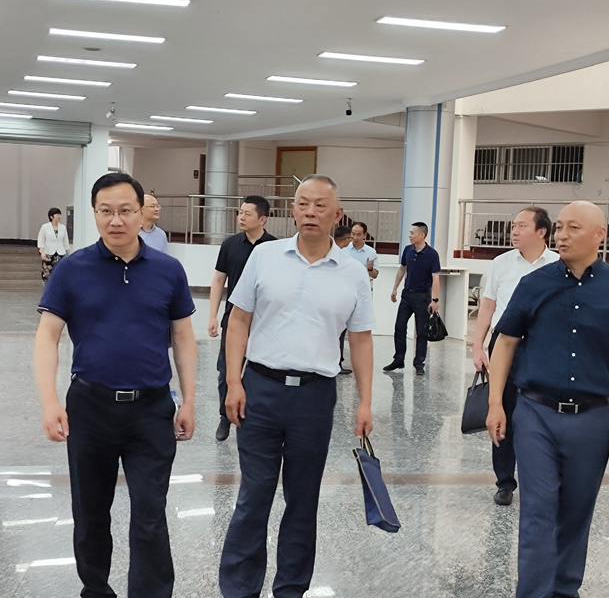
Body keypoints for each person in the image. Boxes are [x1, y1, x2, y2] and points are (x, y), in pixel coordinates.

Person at [33, 172, 197, 598]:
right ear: (94, 214)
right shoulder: (71, 269)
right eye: (106, 211)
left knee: (150, 514)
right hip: (90, 407)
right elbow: (47, 337)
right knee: (90, 514)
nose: (116, 220)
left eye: (125, 210)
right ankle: (96, 590)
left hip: (151, 410)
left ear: (142, 212)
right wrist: (49, 401)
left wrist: (189, 400)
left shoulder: (168, 270)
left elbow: (183, 337)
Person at [486, 201, 609, 598]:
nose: (561, 235)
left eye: (572, 228)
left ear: (600, 235)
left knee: (577, 512)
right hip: (535, 412)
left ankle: (564, 590)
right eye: (559, 227)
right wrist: (495, 403)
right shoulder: (534, 284)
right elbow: (505, 342)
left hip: (592, 419)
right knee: (538, 511)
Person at [218, 174, 374, 598]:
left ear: (337, 214)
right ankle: (239, 589)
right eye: (303, 203)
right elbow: (239, 320)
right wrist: (233, 381)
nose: (311, 212)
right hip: (260, 389)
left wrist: (365, 401)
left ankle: (290, 588)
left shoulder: (353, 273)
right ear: (292, 210)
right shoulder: (265, 256)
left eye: (321, 205)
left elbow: (361, 339)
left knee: (303, 500)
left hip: (314, 396)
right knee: (254, 496)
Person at [471, 207, 559, 506]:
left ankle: (541, 478)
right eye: (513, 226)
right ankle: (505, 481)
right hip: (505, 342)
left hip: (544, 344)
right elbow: (487, 306)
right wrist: (478, 345)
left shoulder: (558, 264)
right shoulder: (501, 263)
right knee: (501, 409)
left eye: (522, 226)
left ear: (541, 232)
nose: (514, 231)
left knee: (541, 411)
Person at [208, 195, 276, 442]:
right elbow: (219, 280)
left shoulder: (274, 247)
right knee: (226, 370)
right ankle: (225, 417)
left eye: (247, 213)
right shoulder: (230, 245)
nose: (241, 217)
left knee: (262, 371)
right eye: (240, 212)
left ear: (263, 219)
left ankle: (256, 416)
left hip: (264, 321)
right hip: (234, 319)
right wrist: (213, 315)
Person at [383, 222, 440, 375]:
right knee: (399, 327)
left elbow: (435, 278)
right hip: (407, 294)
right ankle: (398, 359)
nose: (409, 236)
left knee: (421, 331)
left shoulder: (432, 254)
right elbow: (402, 269)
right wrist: (395, 288)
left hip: (423, 297)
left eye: (412, 233)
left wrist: (434, 300)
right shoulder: (408, 250)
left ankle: (419, 362)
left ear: (422, 235)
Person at [338, 221, 379, 375]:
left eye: (358, 234)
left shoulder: (371, 252)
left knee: (360, 331)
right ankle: (338, 362)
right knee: (340, 331)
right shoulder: (344, 249)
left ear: (364, 235)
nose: (355, 237)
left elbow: (375, 275)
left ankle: (360, 366)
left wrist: (370, 269)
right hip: (344, 292)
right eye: (353, 234)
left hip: (361, 295)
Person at [37, 207, 71, 286]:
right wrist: (42, 253)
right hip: (48, 254)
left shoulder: (62, 227)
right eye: (57, 215)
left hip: (60, 253)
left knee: (60, 273)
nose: (59, 216)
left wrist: (68, 254)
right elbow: (41, 241)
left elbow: (66, 242)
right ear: (51, 216)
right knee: (47, 274)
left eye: (60, 215)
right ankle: (48, 289)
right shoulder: (45, 227)